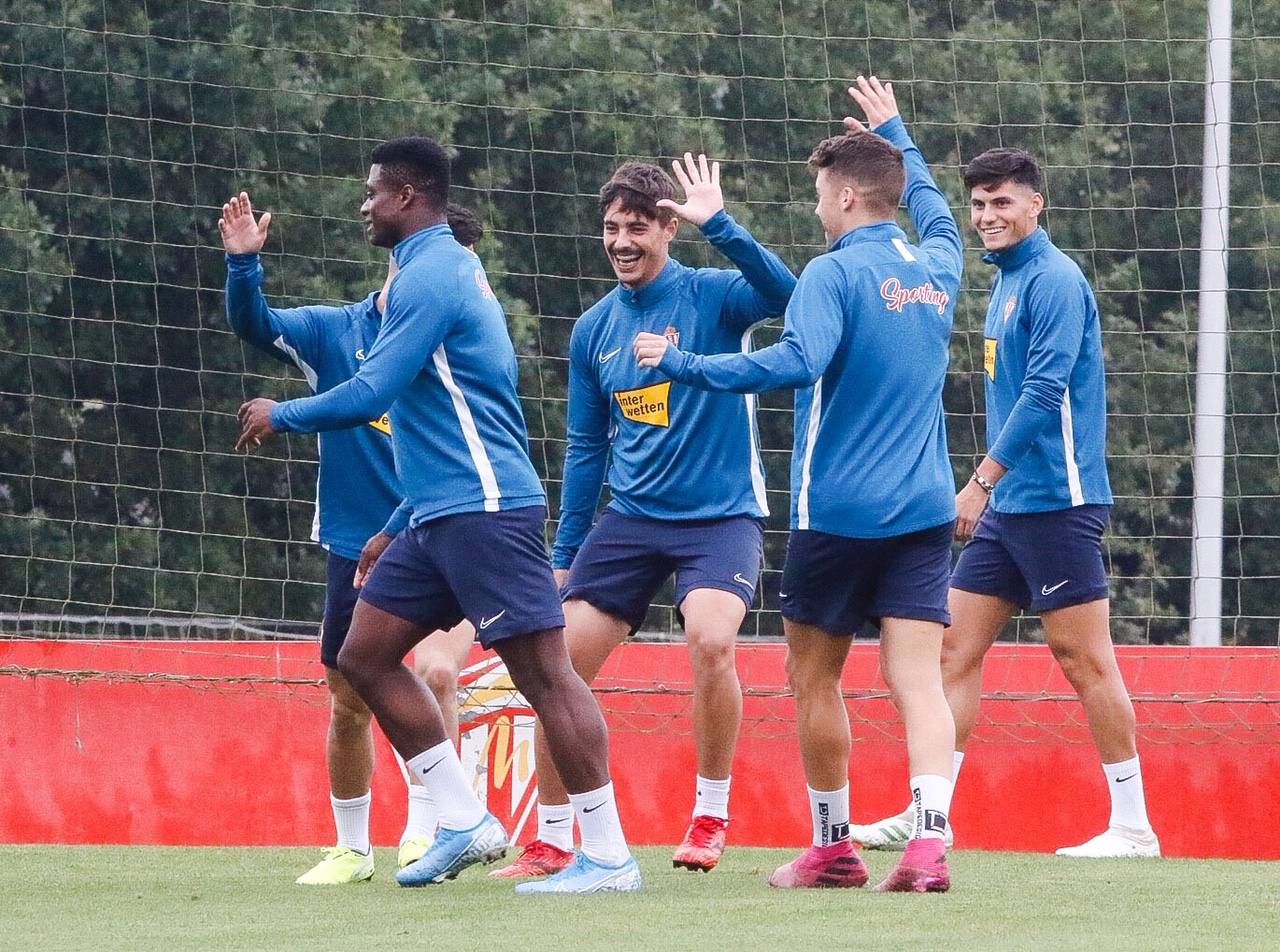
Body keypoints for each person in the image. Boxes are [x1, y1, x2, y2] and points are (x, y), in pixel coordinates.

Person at [235, 136, 639, 894]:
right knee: (362, 657)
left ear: (409, 197)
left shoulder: (435, 274)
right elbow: (427, 415)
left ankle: (610, 856)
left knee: (547, 679)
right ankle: (463, 820)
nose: (364, 204)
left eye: (373, 192)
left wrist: (279, 411)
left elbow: (371, 392)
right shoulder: (428, 268)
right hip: (436, 513)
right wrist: (396, 523)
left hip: (486, 508)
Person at [634, 77, 962, 892]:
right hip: (924, 509)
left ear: (848, 195)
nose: (817, 206)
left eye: (820, 192)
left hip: (839, 514)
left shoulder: (831, 272)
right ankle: (929, 845)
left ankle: (833, 847)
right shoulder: (942, 263)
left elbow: (796, 361)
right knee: (917, 680)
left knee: (814, 677)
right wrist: (898, 131)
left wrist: (685, 363)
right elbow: (938, 207)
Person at [491, 155, 795, 879]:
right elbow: (587, 448)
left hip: (721, 517)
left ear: (668, 227)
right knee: (554, 670)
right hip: (629, 522)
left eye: (637, 227)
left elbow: (790, 295)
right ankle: (554, 837)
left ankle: (711, 813)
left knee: (713, 641)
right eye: (611, 228)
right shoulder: (594, 330)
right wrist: (565, 550)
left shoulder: (715, 297)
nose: (622, 241)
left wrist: (719, 223)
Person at [854, 147, 1160, 859]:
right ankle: (930, 813)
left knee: (1082, 659)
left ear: (1035, 205)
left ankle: (1134, 826)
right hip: (1011, 506)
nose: (988, 216)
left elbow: (1044, 394)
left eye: (1002, 203)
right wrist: (897, 136)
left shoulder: (1053, 280)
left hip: (1057, 500)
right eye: (980, 204)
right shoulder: (1006, 279)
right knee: (951, 650)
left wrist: (980, 481)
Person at [220, 194, 487, 883]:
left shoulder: (466, 337)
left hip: (443, 528)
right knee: (349, 698)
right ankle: (351, 847)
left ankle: (434, 830)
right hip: (355, 544)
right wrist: (243, 263)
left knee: (433, 672)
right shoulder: (339, 333)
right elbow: (257, 325)